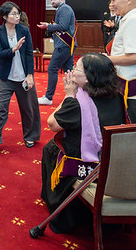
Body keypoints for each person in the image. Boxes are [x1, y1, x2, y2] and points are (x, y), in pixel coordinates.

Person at [38, 53, 126, 233]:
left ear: (87, 78)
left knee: (51, 148)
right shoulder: (118, 97)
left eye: (76, 68)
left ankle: (60, 207)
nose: (71, 71)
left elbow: (52, 124)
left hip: (84, 163)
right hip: (111, 161)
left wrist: (69, 95)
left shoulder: (77, 103)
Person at [0, 1, 41, 154]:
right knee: (1, 109)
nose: (17, 16)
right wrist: (13, 49)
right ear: (5, 16)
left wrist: (30, 75)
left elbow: (29, 53)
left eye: (18, 13)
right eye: (13, 14)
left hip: (23, 77)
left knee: (28, 108)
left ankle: (30, 136)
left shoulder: (24, 30)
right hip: (6, 77)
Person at [37, 0, 76, 106]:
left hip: (64, 44)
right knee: (69, 71)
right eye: (51, 0)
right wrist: (49, 25)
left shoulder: (64, 9)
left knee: (52, 69)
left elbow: (63, 26)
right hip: (67, 44)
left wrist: (48, 26)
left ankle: (48, 97)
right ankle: (74, 95)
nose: (52, 2)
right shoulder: (62, 9)